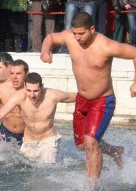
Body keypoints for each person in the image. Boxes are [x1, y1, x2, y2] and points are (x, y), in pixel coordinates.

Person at [41, 12, 136, 182]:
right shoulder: (70, 38)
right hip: (81, 99)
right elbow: (51, 38)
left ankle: (92, 189)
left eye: (81, 34)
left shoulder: (106, 45)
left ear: (92, 29)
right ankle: (115, 151)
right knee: (82, 145)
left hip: (102, 101)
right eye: (75, 33)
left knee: (91, 143)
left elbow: (135, 52)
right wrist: (45, 50)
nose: (77, 38)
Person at [0, 72, 76, 163]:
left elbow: (78, 97)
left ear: (42, 87)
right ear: (25, 87)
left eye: (36, 91)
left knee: (46, 168)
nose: (32, 95)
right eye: (29, 90)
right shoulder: (19, 97)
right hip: (28, 143)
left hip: (48, 141)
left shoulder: (52, 96)